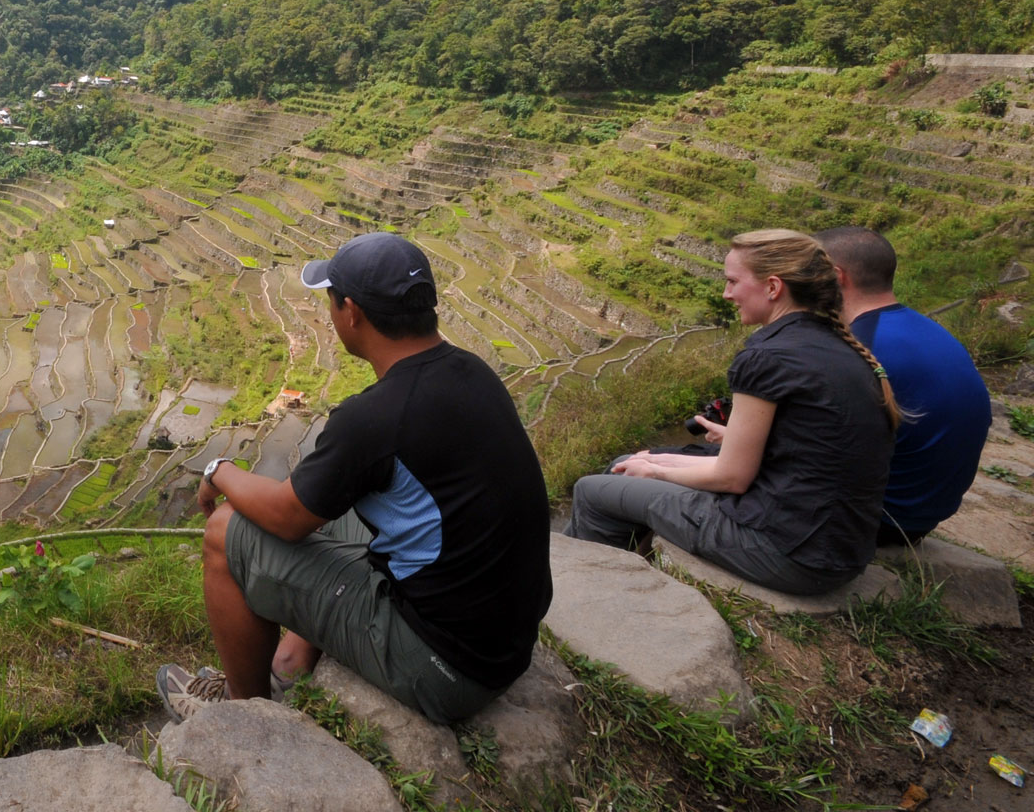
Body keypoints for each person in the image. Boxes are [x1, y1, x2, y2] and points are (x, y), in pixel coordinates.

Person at [156, 233, 552, 725]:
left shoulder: (375, 417)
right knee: (340, 500)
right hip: (500, 643)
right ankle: (293, 661)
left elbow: (286, 517)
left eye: (330, 299)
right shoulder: (473, 371)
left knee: (226, 531)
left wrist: (220, 471)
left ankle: (244, 717)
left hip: (445, 670)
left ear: (351, 312)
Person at [566, 229, 901, 594]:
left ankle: (582, 595)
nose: (726, 294)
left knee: (591, 491)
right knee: (627, 462)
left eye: (732, 282)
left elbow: (732, 478)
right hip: (834, 548)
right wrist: (653, 463)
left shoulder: (767, 356)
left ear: (773, 287)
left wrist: (656, 472)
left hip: (785, 552)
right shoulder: (833, 343)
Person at [816, 225, 991, 544]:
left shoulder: (860, 347)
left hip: (879, 520)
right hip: (922, 515)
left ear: (836, 276)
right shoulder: (926, 329)